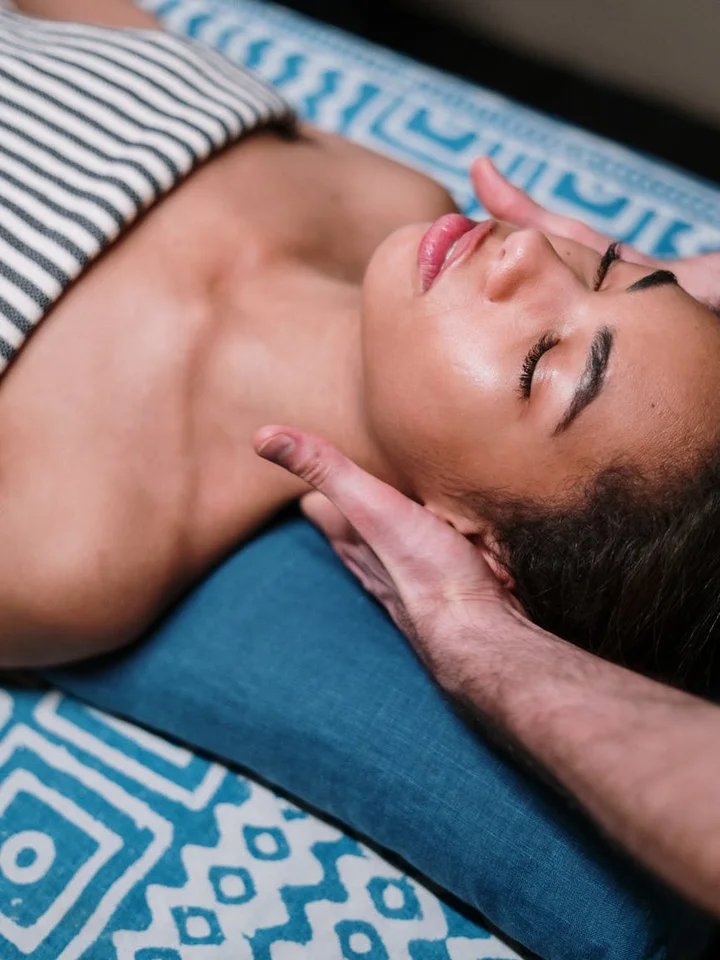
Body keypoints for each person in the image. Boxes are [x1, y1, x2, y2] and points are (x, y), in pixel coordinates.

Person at [2, 0, 720, 701]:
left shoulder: (76, 551)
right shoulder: (391, 197)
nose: (528, 248)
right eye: (610, 267)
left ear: (478, 546)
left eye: (541, 363)